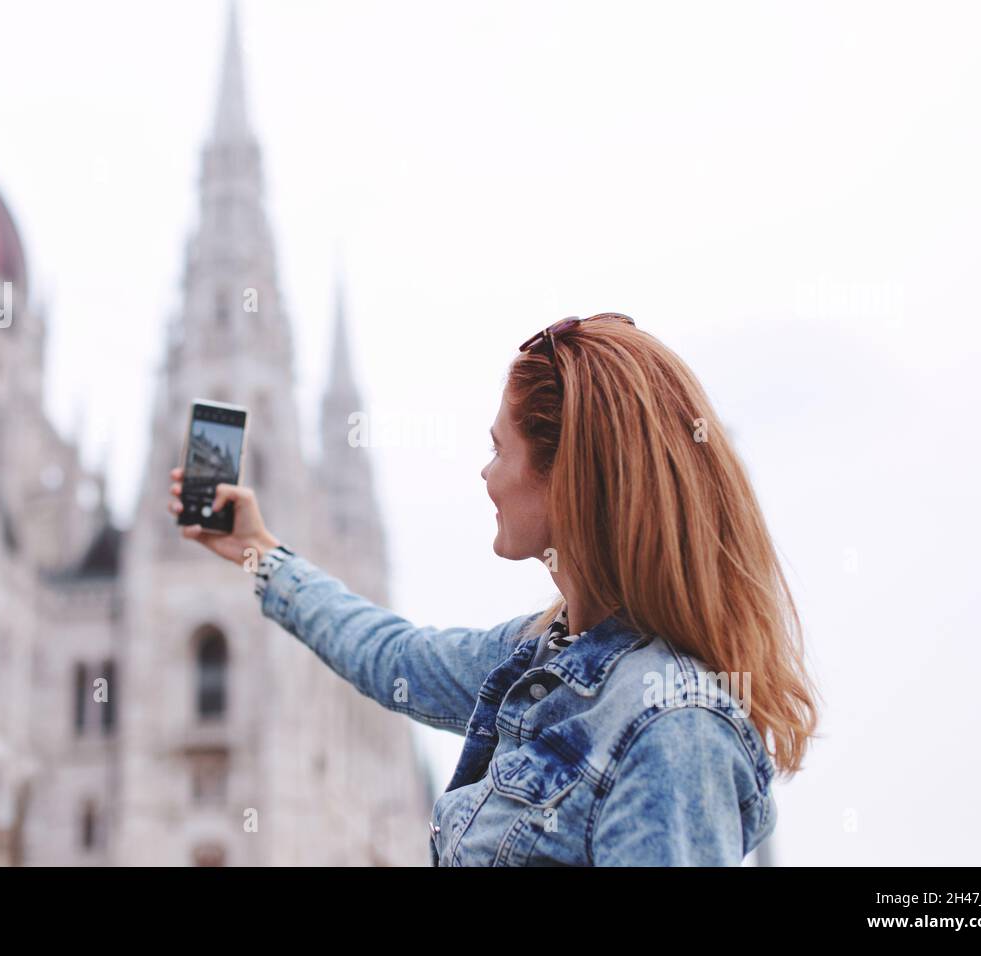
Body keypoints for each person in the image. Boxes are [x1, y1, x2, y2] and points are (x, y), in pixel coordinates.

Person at [169, 311, 820, 866]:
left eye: (498, 449)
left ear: (566, 477)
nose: (485, 474)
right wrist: (257, 553)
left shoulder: (676, 731)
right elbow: (393, 655)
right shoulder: (541, 658)